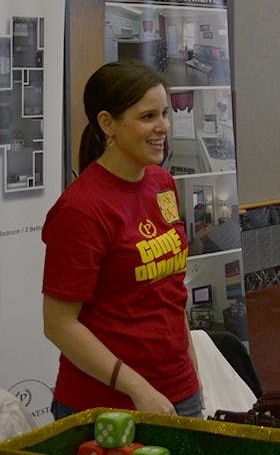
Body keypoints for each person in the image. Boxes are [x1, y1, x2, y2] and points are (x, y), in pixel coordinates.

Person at [41, 60, 201, 419]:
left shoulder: (162, 183)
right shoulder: (82, 209)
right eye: (148, 117)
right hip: (105, 405)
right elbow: (59, 324)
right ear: (107, 123)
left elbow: (170, 292)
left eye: (165, 113)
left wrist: (192, 374)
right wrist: (138, 389)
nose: (164, 126)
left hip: (179, 390)